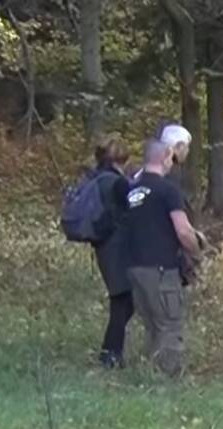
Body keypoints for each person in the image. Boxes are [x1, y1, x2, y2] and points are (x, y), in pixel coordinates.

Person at [125, 140, 203, 377]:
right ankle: (168, 382)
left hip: (135, 268)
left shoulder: (133, 190)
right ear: (166, 156)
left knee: (153, 326)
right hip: (161, 270)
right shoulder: (168, 190)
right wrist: (197, 251)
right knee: (170, 326)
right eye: (171, 158)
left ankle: (149, 376)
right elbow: (183, 231)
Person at [89, 136, 134, 369]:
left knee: (122, 300)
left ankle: (111, 351)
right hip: (119, 248)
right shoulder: (118, 183)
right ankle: (110, 354)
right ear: (121, 159)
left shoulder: (96, 178)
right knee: (124, 300)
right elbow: (130, 213)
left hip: (104, 246)